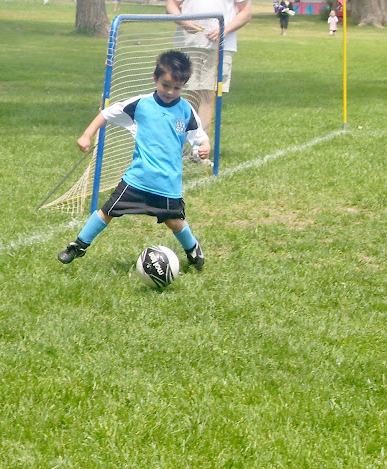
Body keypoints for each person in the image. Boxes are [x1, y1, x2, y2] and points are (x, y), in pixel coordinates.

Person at [58, 50, 210, 270]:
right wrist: (86, 135)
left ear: (183, 86)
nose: (170, 92)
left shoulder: (186, 109)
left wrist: (204, 146)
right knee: (107, 211)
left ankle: (193, 249)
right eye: (166, 85)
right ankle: (79, 245)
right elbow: (107, 113)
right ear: (155, 78)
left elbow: (199, 136)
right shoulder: (141, 104)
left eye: (177, 88)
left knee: (175, 222)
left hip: (167, 183)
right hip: (138, 179)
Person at [165, 0, 252, 138]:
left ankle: (200, 143)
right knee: (191, 95)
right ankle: (188, 141)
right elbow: (171, 4)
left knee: (208, 96)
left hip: (219, 46)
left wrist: (224, 30)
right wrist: (184, 22)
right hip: (190, 44)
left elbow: (246, 12)